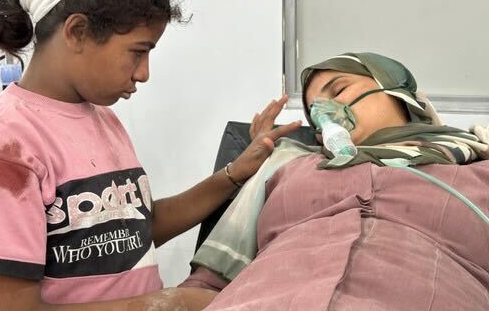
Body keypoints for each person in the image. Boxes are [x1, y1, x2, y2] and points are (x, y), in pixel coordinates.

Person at [0, 0, 301, 310]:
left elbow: (133, 232)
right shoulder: (3, 148)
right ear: (77, 32)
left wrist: (234, 173)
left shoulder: (103, 120)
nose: (143, 73)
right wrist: (162, 304)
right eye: (137, 51)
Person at [181, 52, 489, 310]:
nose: (323, 112)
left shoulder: (476, 167)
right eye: (315, 109)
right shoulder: (288, 164)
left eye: (338, 91)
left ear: (395, 90)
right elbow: (207, 286)